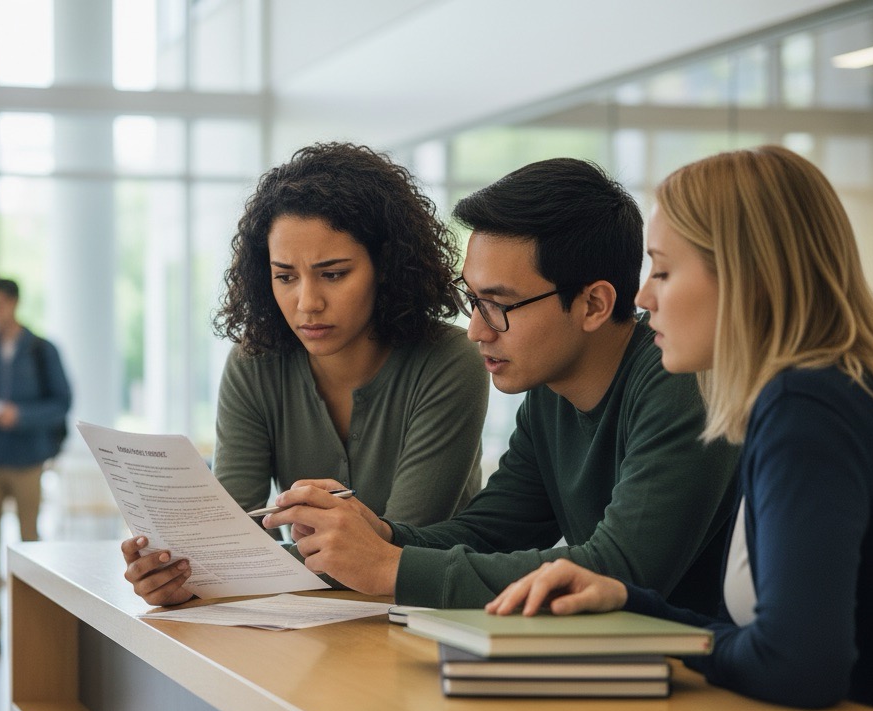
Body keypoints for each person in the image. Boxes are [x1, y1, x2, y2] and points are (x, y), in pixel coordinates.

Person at [486, 146, 873, 711]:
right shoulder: (828, 394)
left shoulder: (802, 410)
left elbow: (798, 666)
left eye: (664, 271)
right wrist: (633, 605)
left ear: (746, 278)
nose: (645, 299)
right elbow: (778, 642)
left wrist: (663, 635)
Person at [257, 158, 742, 612]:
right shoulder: (550, 392)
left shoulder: (681, 380)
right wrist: (378, 532)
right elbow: (490, 532)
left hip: (710, 685)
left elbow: (620, 569)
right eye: (472, 299)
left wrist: (389, 566)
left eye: (499, 304)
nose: (476, 330)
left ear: (593, 304)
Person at [121, 142, 489, 606]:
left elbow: (396, 550)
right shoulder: (253, 362)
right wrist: (177, 571)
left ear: (387, 268)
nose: (306, 302)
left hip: (425, 618)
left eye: (332, 274)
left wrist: (210, 571)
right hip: (310, 627)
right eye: (285, 276)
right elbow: (232, 532)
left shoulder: (449, 360)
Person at [0, 277, 72, 659]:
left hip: (28, 461)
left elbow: (61, 403)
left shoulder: (41, 350)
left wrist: (21, 415)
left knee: (30, 545)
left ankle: (34, 630)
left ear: (13, 304)